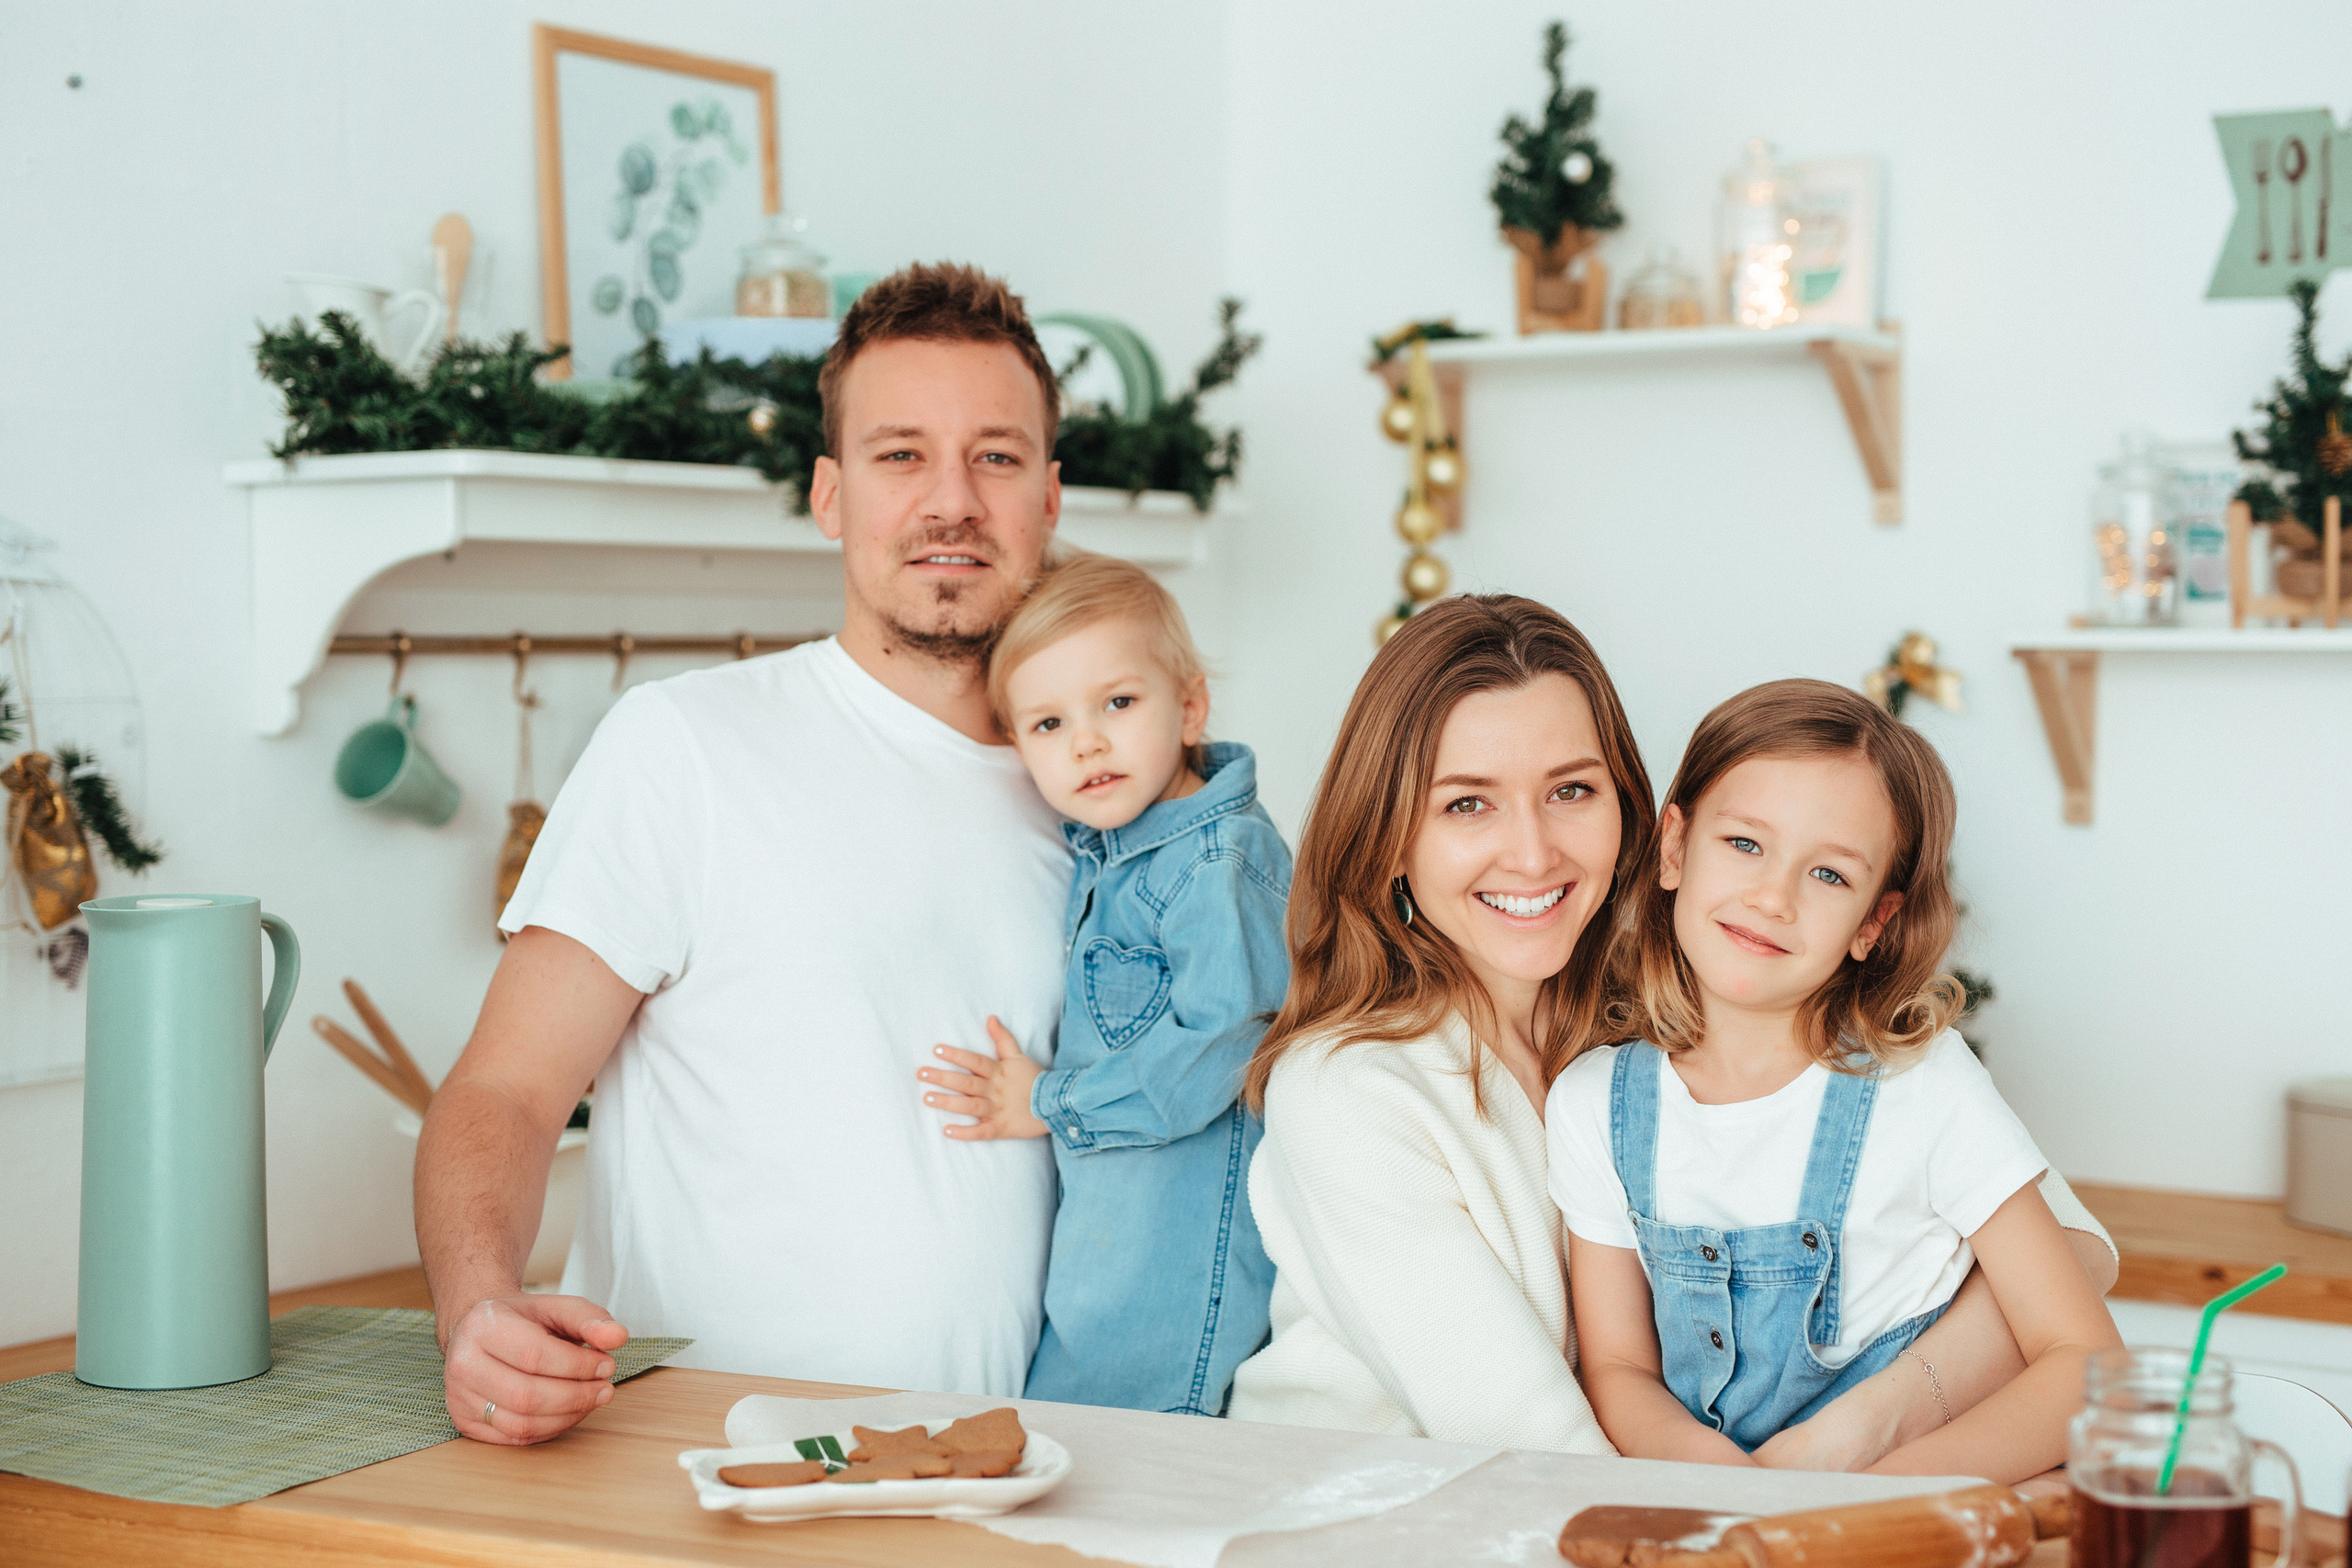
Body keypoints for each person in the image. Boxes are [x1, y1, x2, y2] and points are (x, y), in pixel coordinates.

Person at [415, 262, 1074, 1445]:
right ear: (830, 495)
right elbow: (505, 1090)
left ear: (1050, 495)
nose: (952, 500)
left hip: (1012, 1466)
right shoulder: (683, 745)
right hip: (701, 1470)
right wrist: (477, 1309)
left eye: (996, 456)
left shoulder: (1105, 800)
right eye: (900, 455)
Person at [1226, 595, 2119, 1458]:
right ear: (1388, 836)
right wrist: (1791, 1508)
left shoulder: (1668, 1016)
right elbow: (1538, 1447)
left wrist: (1870, 1428)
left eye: (1570, 790)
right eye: (1467, 803)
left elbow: (2076, 1253)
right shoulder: (1347, 1091)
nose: (1532, 853)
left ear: (1634, 816)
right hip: (1382, 1513)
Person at [1552, 680, 2121, 1481]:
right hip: (1712, 1511)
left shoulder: (1924, 1087)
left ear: (1873, 923)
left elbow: (2087, 1363)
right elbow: (1620, 1370)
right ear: (1674, 847)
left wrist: (1865, 1504)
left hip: (1899, 1514)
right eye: (1744, 843)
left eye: (1828, 875)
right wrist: (1733, 1489)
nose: (1772, 897)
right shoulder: (1595, 1105)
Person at [914, 554, 1289, 1415]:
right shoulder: (1111, 851)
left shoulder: (1218, 861)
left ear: (1189, 707)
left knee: (1123, 1451)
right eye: (1048, 723)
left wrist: (1046, 1100)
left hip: (1177, 1258)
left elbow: (1218, 1050)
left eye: (1118, 703)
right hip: (1109, 1244)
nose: (1086, 741)